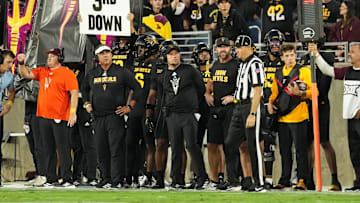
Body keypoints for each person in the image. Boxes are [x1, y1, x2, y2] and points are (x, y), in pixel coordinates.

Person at [81, 44, 141, 189]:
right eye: (102, 53)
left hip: (115, 115)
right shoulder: (92, 73)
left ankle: (117, 179)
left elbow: (137, 88)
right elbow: (83, 88)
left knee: (116, 149)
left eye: (108, 52)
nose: (106, 55)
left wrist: (129, 107)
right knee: (101, 149)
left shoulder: (121, 72)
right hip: (98, 116)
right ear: (98, 57)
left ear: (112, 55)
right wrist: (86, 103)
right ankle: (105, 178)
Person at [18, 48, 79, 187]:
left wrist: (73, 112)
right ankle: (51, 178)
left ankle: (67, 178)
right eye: (49, 56)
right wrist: (21, 63)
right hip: (43, 116)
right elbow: (26, 74)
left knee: (63, 148)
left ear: (60, 58)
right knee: (48, 148)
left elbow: (74, 93)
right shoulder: (42, 71)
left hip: (60, 116)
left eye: (52, 56)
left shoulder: (67, 73)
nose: (49, 58)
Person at [309, 42, 360, 191]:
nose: (349, 54)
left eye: (353, 52)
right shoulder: (348, 71)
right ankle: (358, 183)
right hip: (351, 119)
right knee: (355, 153)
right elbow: (328, 70)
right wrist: (316, 54)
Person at [160, 40, 208, 189]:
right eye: (171, 54)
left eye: (176, 53)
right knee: (175, 148)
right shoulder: (164, 73)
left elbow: (201, 89)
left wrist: (195, 110)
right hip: (172, 114)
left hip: (188, 114)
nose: (174, 57)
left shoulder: (189, 70)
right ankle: (176, 179)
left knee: (192, 146)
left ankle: (201, 178)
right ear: (165, 57)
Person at [221, 35, 265, 191]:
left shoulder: (255, 64)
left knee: (253, 145)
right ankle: (234, 180)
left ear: (248, 48)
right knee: (230, 142)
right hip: (238, 106)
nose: (236, 51)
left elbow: (258, 89)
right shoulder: (242, 64)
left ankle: (259, 182)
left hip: (251, 106)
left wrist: (252, 114)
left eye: (239, 48)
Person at [268, 43, 313, 190]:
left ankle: (302, 179)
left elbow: (314, 92)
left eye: (292, 55)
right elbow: (274, 93)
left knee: (301, 150)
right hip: (282, 117)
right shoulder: (278, 73)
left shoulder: (304, 71)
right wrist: (270, 103)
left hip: (299, 116)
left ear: (296, 55)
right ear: (281, 58)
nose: (290, 58)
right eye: (286, 55)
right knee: (284, 150)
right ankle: (284, 178)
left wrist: (301, 94)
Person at [204, 38, 238, 190]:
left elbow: (243, 85)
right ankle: (214, 179)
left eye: (225, 47)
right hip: (215, 108)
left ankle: (230, 178)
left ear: (231, 48)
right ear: (216, 50)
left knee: (228, 145)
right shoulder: (215, 65)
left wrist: (234, 97)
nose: (222, 50)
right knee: (211, 144)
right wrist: (206, 93)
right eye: (220, 47)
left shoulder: (236, 65)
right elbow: (210, 82)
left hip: (230, 109)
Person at [125, 34, 159, 188]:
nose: (139, 51)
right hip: (136, 109)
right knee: (131, 144)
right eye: (138, 48)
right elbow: (132, 90)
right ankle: (131, 176)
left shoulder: (156, 65)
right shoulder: (136, 64)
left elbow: (154, 92)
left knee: (149, 144)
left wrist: (150, 112)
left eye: (142, 48)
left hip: (147, 109)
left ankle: (148, 175)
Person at [260, 29, 285, 189]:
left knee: (280, 144)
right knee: (264, 143)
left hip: (279, 106)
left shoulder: (284, 62)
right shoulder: (260, 61)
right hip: (262, 105)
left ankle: (280, 177)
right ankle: (264, 177)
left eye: (277, 42)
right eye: (272, 42)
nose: (275, 45)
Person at [0, 50, 16, 187]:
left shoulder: (9, 76)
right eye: (8, 62)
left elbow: (11, 92)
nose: (11, 65)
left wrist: (9, 104)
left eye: (12, 62)